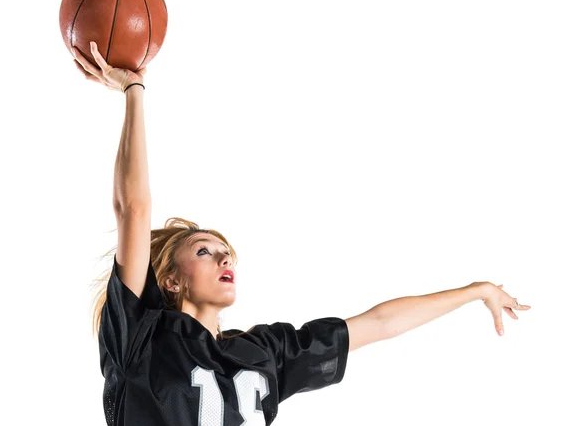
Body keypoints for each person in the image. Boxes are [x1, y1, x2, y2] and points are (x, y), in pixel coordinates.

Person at [73, 41, 531, 426]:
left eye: (227, 253)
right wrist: (134, 89)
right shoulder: (141, 335)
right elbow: (133, 209)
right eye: (206, 252)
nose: (225, 260)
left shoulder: (265, 353)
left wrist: (476, 290)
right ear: (172, 279)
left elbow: (378, 323)